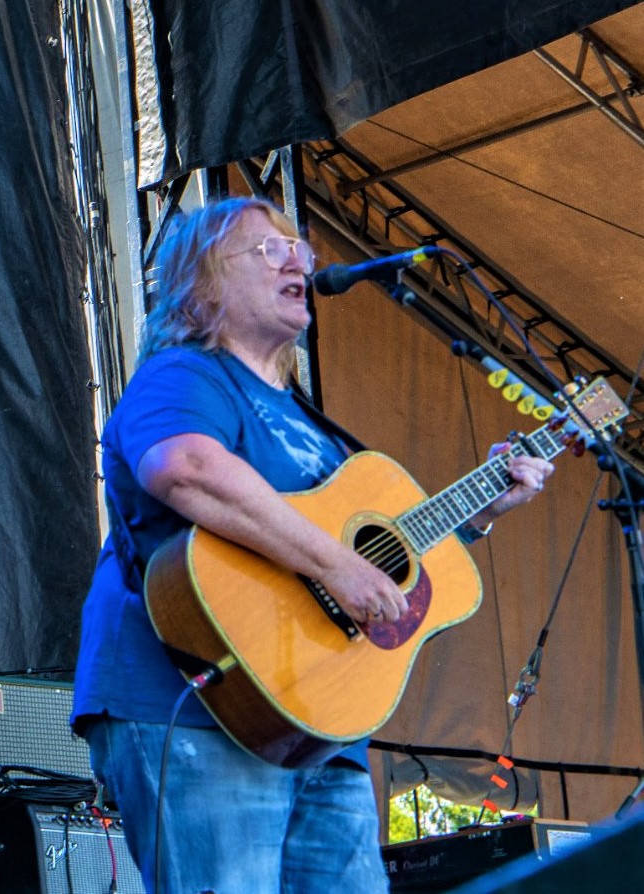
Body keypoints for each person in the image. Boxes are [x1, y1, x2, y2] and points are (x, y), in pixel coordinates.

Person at [70, 197, 553, 892]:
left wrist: (482, 509)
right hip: (196, 701)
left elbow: (386, 551)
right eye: (268, 250)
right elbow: (187, 467)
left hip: (321, 727)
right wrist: (336, 564)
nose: (298, 258)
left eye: (299, 249)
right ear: (201, 282)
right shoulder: (186, 375)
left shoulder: (314, 426)